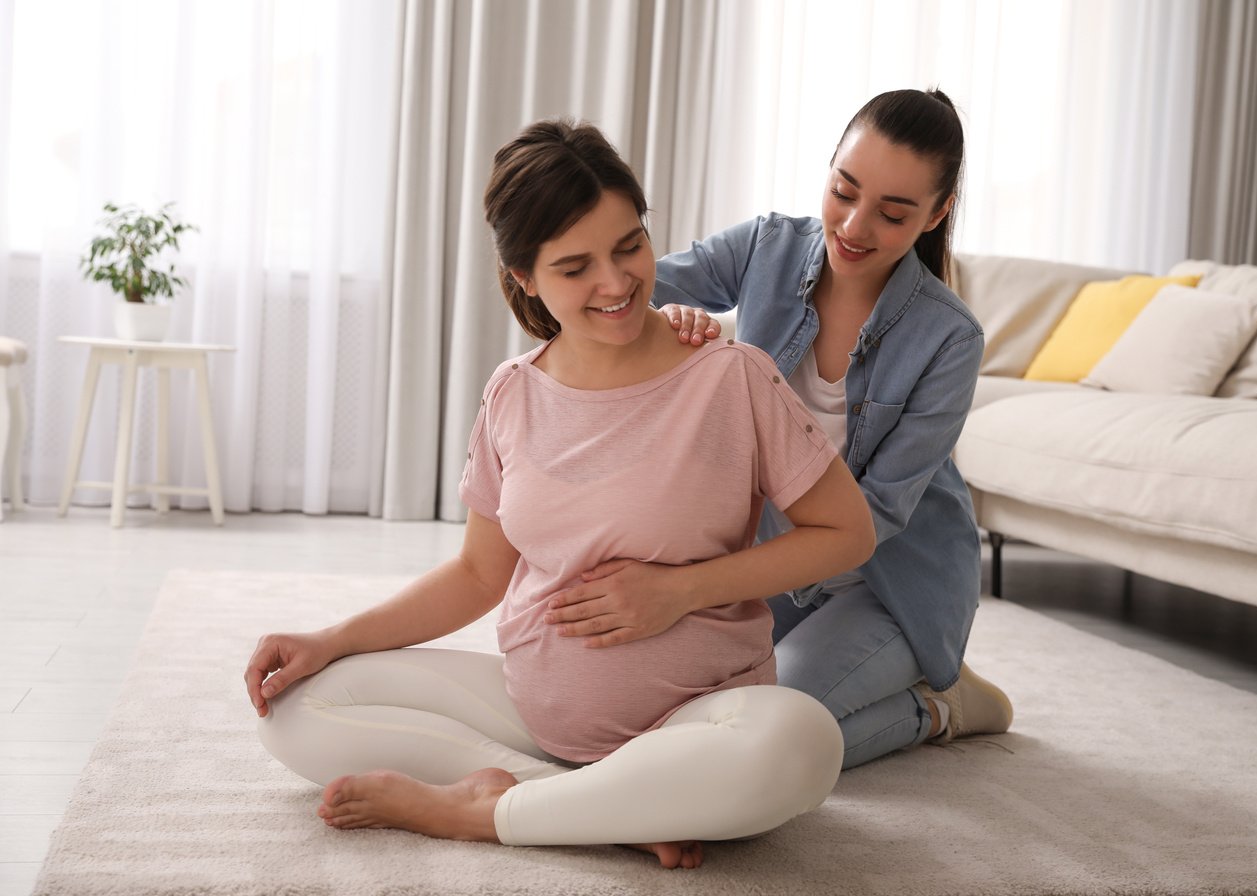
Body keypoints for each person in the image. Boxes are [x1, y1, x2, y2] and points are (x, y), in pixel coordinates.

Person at [244, 119, 876, 870]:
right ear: (524, 278)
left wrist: (679, 591)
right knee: (294, 709)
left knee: (801, 743)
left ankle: (490, 809)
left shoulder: (729, 376)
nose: (616, 283)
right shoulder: (513, 393)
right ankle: (592, 807)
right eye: (575, 267)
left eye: (629, 246)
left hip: (701, 716)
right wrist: (332, 639)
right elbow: (480, 574)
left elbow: (847, 534)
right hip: (533, 710)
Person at [542, 88, 1013, 768]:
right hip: (773, 570)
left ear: (936, 214)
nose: (853, 225)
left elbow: (874, 518)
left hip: (887, 586)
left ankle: (937, 707)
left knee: (761, 740)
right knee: (664, 713)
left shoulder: (949, 339)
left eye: (892, 212)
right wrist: (668, 320)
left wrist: (692, 588)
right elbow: (629, 293)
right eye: (843, 190)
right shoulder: (769, 245)